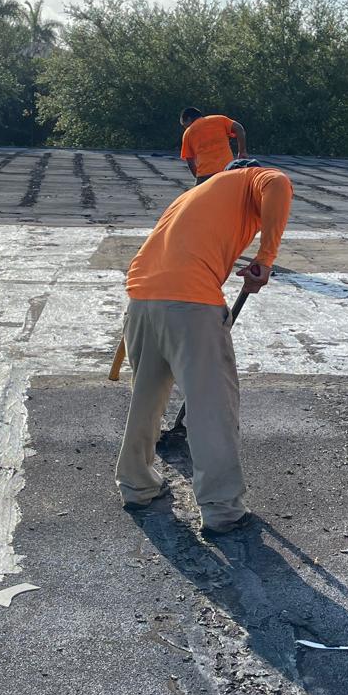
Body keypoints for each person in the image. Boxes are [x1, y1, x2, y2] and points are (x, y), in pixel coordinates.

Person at [116, 159, 292, 535]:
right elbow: (278, 182)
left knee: (145, 398)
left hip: (141, 297)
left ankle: (137, 485)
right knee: (212, 406)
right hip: (190, 304)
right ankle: (223, 509)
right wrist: (265, 259)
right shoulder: (251, 178)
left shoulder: (192, 196)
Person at [179, 107, 247, 184]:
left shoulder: (188, 133)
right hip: (227, 170)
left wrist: (198, 177)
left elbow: (190, 161)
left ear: (189, 119)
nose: (185, 128)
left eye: (185, 125)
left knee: (198, 195)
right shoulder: (219, 119)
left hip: (205, 174)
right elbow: (239, 128)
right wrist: (242, 151)